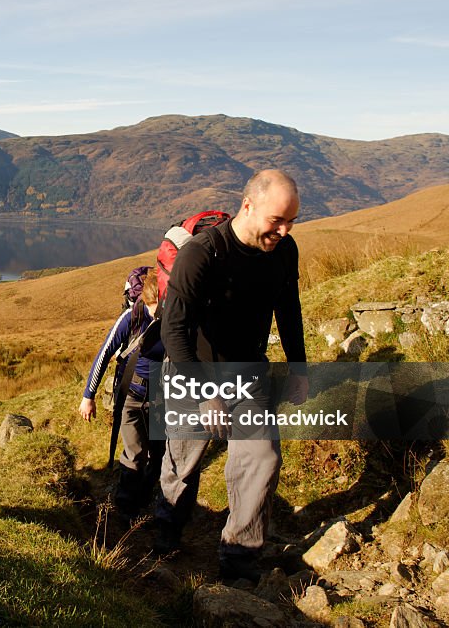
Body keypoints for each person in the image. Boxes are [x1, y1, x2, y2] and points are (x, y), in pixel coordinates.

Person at [156, 169, 309, 580]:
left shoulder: (284, 250)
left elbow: (288, 309)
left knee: (261, 458)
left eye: (291, 220)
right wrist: (206, 392)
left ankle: (238, 559)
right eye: (276, 220)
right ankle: (166, 533)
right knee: (184, 462)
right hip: (194, 371)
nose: (284, 229)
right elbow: (174, 330)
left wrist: (299, 368)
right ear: (248, 205)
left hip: (249, 373)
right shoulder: (203, 253)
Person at [79, 268, 166, 526]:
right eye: (152, 308)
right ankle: (125, 509)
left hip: (160, 397)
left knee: (159, 453)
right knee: (136, 452)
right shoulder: (131, 318)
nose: (155, 315)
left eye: (158, 309)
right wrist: (88, 396)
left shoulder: (173, 318)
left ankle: (144, 499)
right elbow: (104, 353)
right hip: (130, 395)